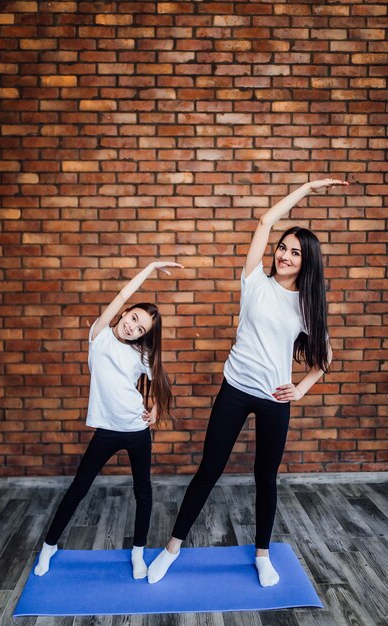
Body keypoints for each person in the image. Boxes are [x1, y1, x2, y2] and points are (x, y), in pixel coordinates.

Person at [147, 178, 348, 587]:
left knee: (265, 477)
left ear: (307, 262)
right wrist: (306, 188)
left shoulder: (306, 305)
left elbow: (324, 358)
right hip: (235, 389)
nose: (285, 255)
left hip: (275, 398)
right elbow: (265, 219)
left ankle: (262, 555)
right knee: (209, 469)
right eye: (283, 248)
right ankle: (171, 549)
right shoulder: (254, 280)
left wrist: (302, 388)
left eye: (295, 252)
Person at [34, 260, 183, 580]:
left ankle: (138, 553)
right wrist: (150, 267)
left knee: (143, 492)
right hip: (106, 431)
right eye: (132, 318)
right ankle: (48, 546)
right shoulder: (99, 334)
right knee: (78, 488)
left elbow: (159, 381)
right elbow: (122, 294)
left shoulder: (141, 355)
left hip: (136, 430)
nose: (132, 327)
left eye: (141, 329)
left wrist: (155, 407)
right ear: (124, 313)